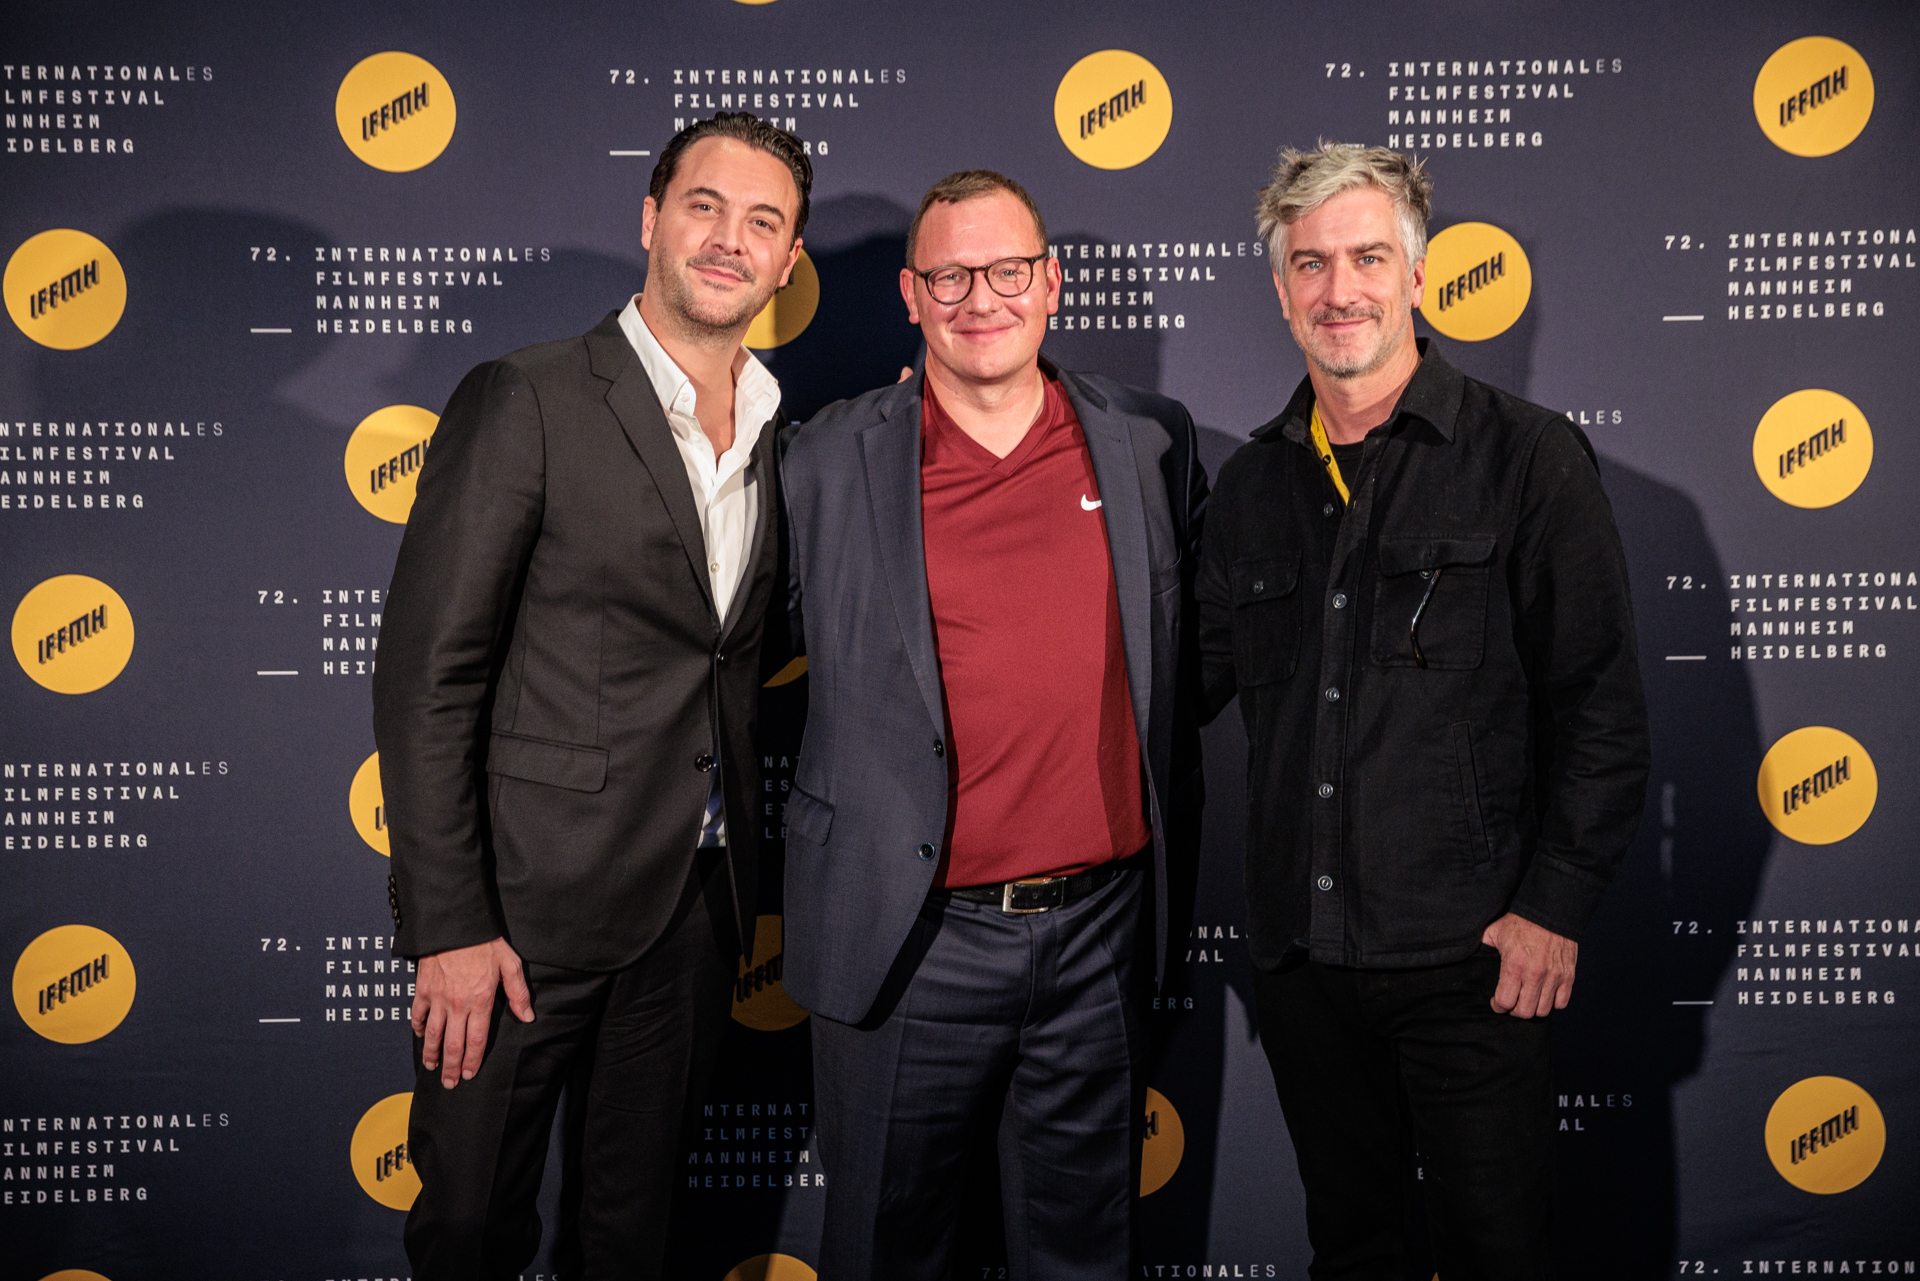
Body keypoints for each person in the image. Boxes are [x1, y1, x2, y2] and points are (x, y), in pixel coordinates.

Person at [1196, 142, 1649, 1278]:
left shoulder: (1529, 459)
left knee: (1496, 1253)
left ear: (1417, 273)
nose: (1337, 290)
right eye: (1310, 264)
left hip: (1472, 962)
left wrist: (1553, 907)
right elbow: (1176, 684)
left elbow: (1600, 709)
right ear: (1280, 288)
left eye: (1365, 258)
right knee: (1353, 1250)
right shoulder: (1250, 486)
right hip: (1305, 968)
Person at [371, 112, 811, 1280]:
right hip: (519, 919)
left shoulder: (785, 437)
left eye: (762, 221)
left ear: (787, 261)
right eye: (705, 206)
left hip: (696, 911)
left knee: (636, 1237)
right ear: (652, 218)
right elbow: (427, 679)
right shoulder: (527, 397)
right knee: (470, 1230)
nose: (729, 240)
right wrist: (451, 925)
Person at [777, 169, 1207, 1281]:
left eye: (1009, 271)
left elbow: (1190, 660)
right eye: (952, 277)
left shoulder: (1148, 443)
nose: (983, 299)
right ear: (911, 297)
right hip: (907, 939)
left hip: (1097, 935)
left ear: (1051, 284)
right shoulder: (824, 460)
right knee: (886, 1253)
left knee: (1084, 1257)